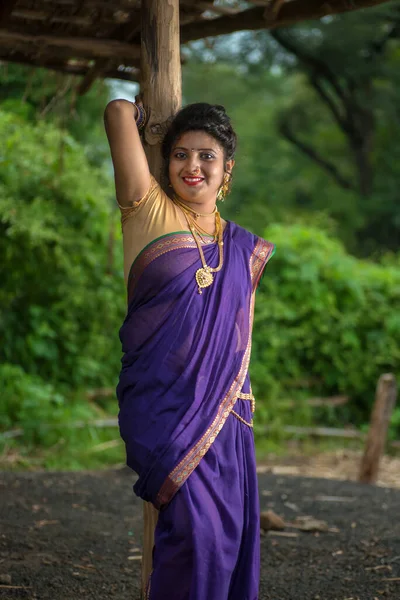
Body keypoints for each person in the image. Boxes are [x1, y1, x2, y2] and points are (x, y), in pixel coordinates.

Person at [104, 99, 275, 600]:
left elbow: (235, 338)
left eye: (206, 156)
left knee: (226, 541)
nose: (192, 167)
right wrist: (135, 114)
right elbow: (115, 111)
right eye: (180, 154)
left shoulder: (242, 246)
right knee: (198, 537)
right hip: (161, 408)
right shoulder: (146, 207)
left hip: (224, 417)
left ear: (227, 170)